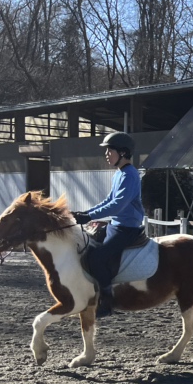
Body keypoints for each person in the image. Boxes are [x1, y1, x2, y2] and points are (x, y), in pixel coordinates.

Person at [71, 132, 146, 318]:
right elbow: (108, 201)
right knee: (87, 248)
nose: (106, 154)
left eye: (109, 151)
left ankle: (107, 303)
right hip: (116, 224)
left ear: (122, 153)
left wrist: (89, 216)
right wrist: (85, 213)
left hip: (127, 228)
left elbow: (117, 205)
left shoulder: (130, 175)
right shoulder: (119, 174)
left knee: (97, 259)